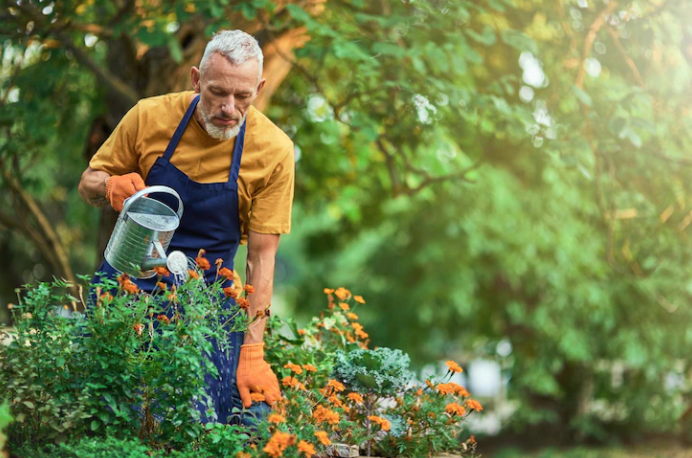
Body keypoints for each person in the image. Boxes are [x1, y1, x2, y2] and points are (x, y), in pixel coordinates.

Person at [77, 30, 294, 425]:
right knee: (103, 409)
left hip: (205, 298)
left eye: (243, 97)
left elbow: (261, 257)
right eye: (217, 92)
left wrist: (252, 354)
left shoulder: (273, 150)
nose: (229, 108)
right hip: (127, 281)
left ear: (259, 88)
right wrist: (109, 185)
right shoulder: (149, 115)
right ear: (195, 79)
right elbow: (87, 182)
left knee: (201, 419)